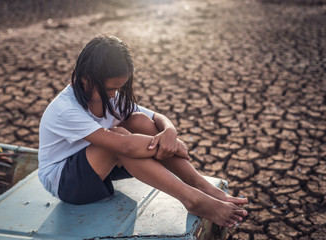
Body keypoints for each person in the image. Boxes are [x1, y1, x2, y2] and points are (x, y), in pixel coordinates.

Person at [38, 35, 248, 228]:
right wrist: (168, 146)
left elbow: (155, 117)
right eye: (109, 89)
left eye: (117, 89)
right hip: (67, 182)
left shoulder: (110, 97)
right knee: (120, 138)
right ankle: (192, 199)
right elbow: (125, 145)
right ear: (85, 77)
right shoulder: (65, 109)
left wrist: (170, 133)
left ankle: (199, 184)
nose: (113, 95)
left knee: (139, 121)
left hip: (99, 169)